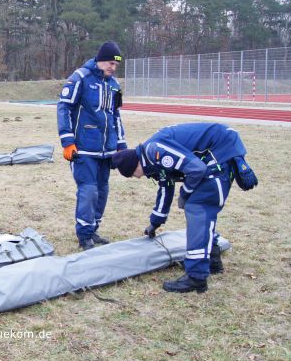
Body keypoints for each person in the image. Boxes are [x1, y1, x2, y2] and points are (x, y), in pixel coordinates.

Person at [110, 122, 258, 294]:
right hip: (219, 150)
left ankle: (196, 277)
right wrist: (155, 222)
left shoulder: (154, 151)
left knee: (198, 208)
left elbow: (197, 169)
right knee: (200, 210)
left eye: (133, 175)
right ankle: (212, 259)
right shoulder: (152, 159)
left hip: (220, 152)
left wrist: (185, 193)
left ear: (135, 166)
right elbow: (166, 187)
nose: (136, 178)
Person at [57, 41, 127, 250]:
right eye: (109, 63)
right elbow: (64, 108)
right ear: (99, 60)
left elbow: (116, 116)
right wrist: (67, 141)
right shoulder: (80, 78)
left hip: (107, 150)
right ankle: (84, 235)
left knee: (103, 190)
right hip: (84, 149)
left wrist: (121, 145)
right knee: (88, 190)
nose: (112, 68)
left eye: (115, 65)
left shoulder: (114, 85)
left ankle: (94, 228)